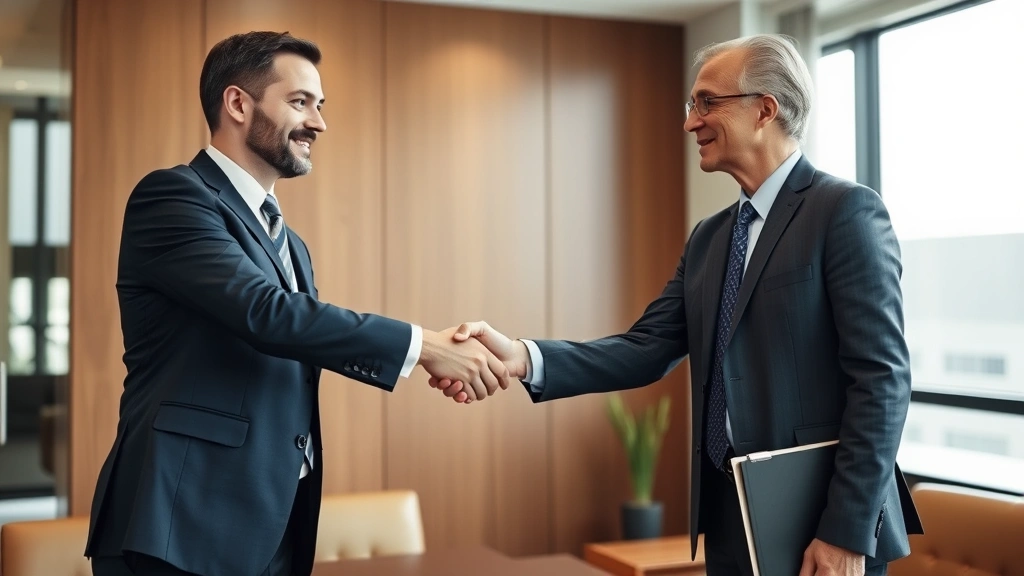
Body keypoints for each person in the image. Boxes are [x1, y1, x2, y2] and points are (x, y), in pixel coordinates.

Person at [433, 34, 923, 576]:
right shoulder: (710, 239)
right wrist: (521, 356)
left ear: (765, 109)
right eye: (692, 105)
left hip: (819, 523)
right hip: (727, 514)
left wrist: (844, 531)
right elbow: (644, 349)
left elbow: (882, 381)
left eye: (707, 102)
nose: (691, 121)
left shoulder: (845, 212)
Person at [84, 31, 504, 576]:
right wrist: (423, 347)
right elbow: (265, 313)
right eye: (300, 102)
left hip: (271, 520)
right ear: (238, 103)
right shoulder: (173, 196)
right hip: (181, 524)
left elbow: (297, 340)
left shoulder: (292, 243)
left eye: (320, 105)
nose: (319, 123)